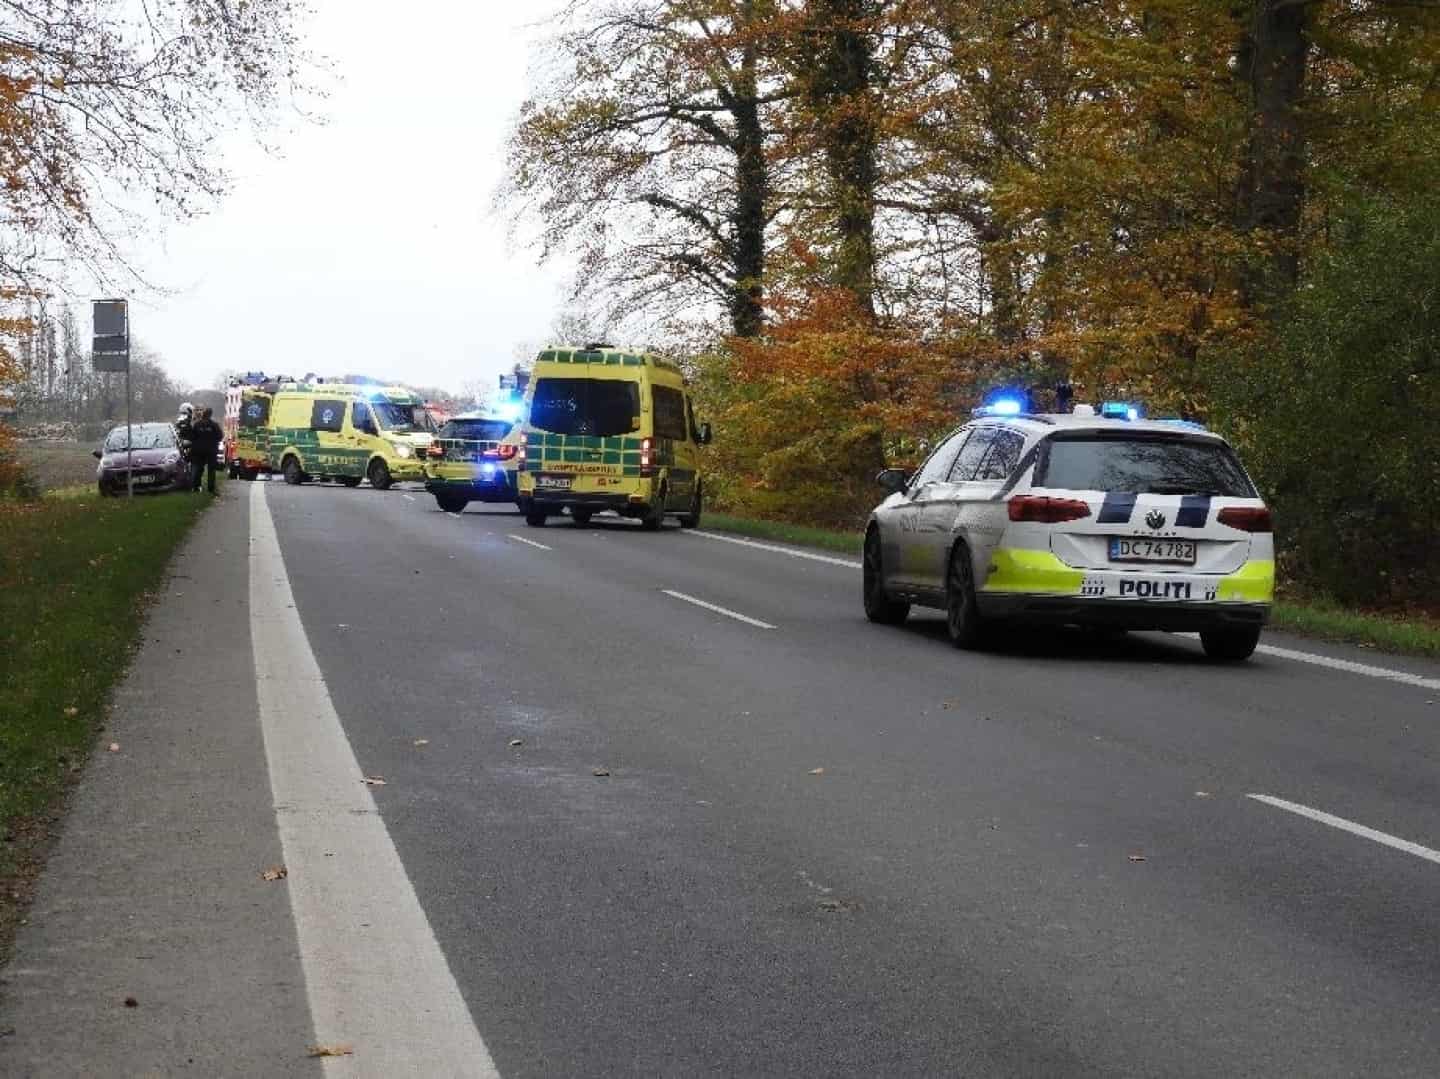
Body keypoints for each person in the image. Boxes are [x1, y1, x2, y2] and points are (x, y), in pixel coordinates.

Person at [189, 406, 223, 494]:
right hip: (211, 451)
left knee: (199, 469)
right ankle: (211, 488)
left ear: (203, 414)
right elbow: (220, 436)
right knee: (211, 470)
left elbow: (192, 437)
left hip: (199, 451)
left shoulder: (197, 424)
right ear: (210, 415)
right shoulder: (214, 425)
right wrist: (213, 441)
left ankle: (196, 487)